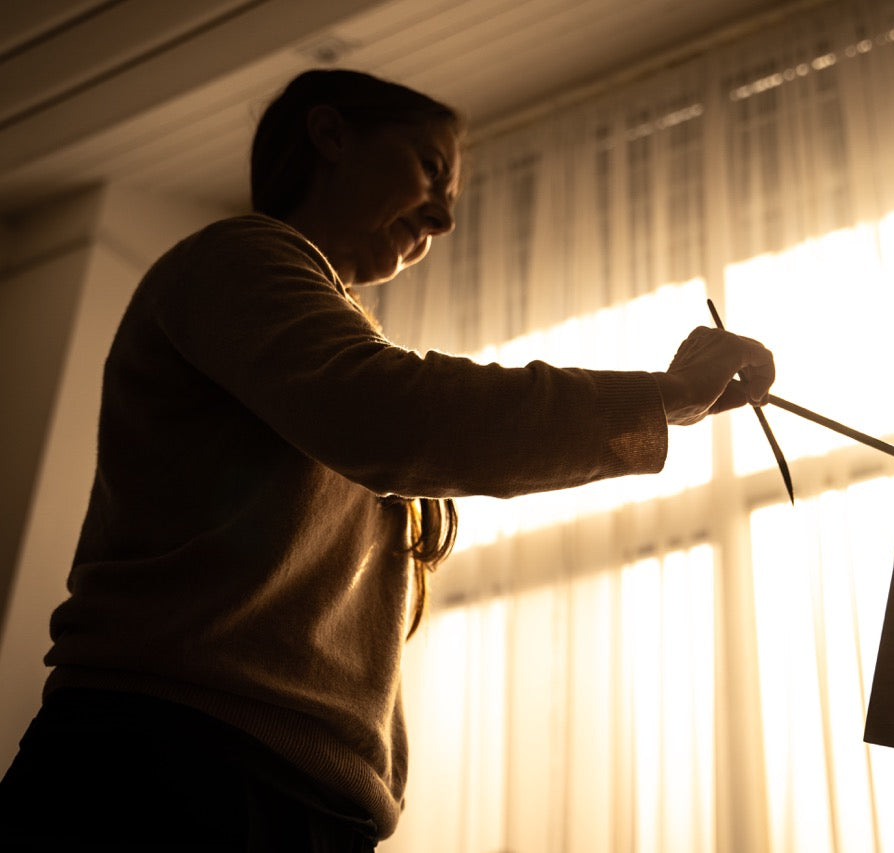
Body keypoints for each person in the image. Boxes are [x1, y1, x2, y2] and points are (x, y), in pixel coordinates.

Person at [0, 69, 774, 850]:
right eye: (431, 168)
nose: (441, 215)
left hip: (291, 799)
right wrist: (661, 398)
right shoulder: (238, 258)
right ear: (330, 135)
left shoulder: (330, 337)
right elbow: (393, 419)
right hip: (166, 773)